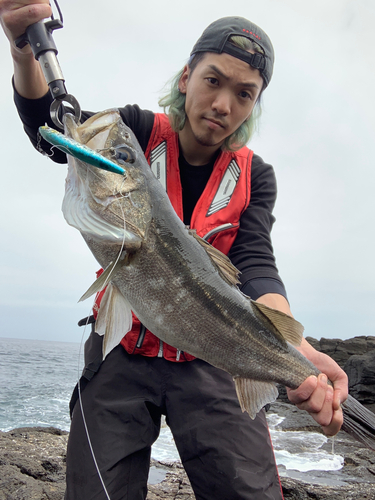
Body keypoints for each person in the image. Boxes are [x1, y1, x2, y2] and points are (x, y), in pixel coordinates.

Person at [0, 2, 349, 499]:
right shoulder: (136, 133)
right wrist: (21, 49)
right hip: (122, 348)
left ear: (254, 104)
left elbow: (255, 264)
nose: (223, 104)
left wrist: (300, 352)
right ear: (187, 77)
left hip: (213, 357)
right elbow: (54, 133)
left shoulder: (256, 176)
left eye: (244, 94)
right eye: (213, 80)